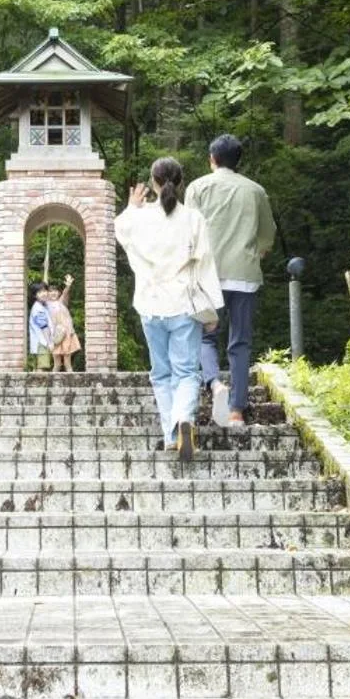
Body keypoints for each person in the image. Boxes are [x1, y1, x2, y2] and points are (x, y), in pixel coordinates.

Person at [113, 156, 224, 461]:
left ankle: (171, 435)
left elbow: (120, 231)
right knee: (186, 372)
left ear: (153, 182)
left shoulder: (140, 217)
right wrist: (213, 309)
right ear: (181, 181)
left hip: (150, 305)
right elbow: (205, 265)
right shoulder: (193, 218)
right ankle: (183, 419)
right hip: (184, 305)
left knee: (161, 374)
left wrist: (131, 207)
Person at [188, 133, 276, 428]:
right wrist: (257, 251)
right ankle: (237, 411)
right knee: (240, 342)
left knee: (205, 337)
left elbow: (188, 233)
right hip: (244, 275)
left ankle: (214, 384)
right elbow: (267, 235)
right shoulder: (256, 191)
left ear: (212, 159)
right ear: (238, 160)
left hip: (207, 275)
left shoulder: (197, 187)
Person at [30, 275, 80, 372]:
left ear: (59, 293)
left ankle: (71, 377)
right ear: (47, 293)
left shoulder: (61, 302)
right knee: (57, 364)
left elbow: (65, 293)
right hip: (54, 336)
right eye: (50, 291)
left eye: (55, 291)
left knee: (67, 362)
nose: (53, 293)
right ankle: (53, 379)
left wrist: (68, 286)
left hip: (66, 333)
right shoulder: (46, 305)